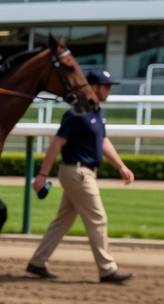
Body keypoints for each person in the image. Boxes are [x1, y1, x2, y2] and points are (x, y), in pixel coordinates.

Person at [26, 69, 135, 283]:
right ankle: (107, 269)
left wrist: (120, 166)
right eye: (106, 86)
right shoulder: (77, 112)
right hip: (77, 173)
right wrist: (42, 175)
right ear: (93, 87)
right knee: (98, 218)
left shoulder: (97, 111)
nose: (109, 89)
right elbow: (57, 142)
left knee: (62, 221)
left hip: (83, 173)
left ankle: (38, 262)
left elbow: (102, 141)